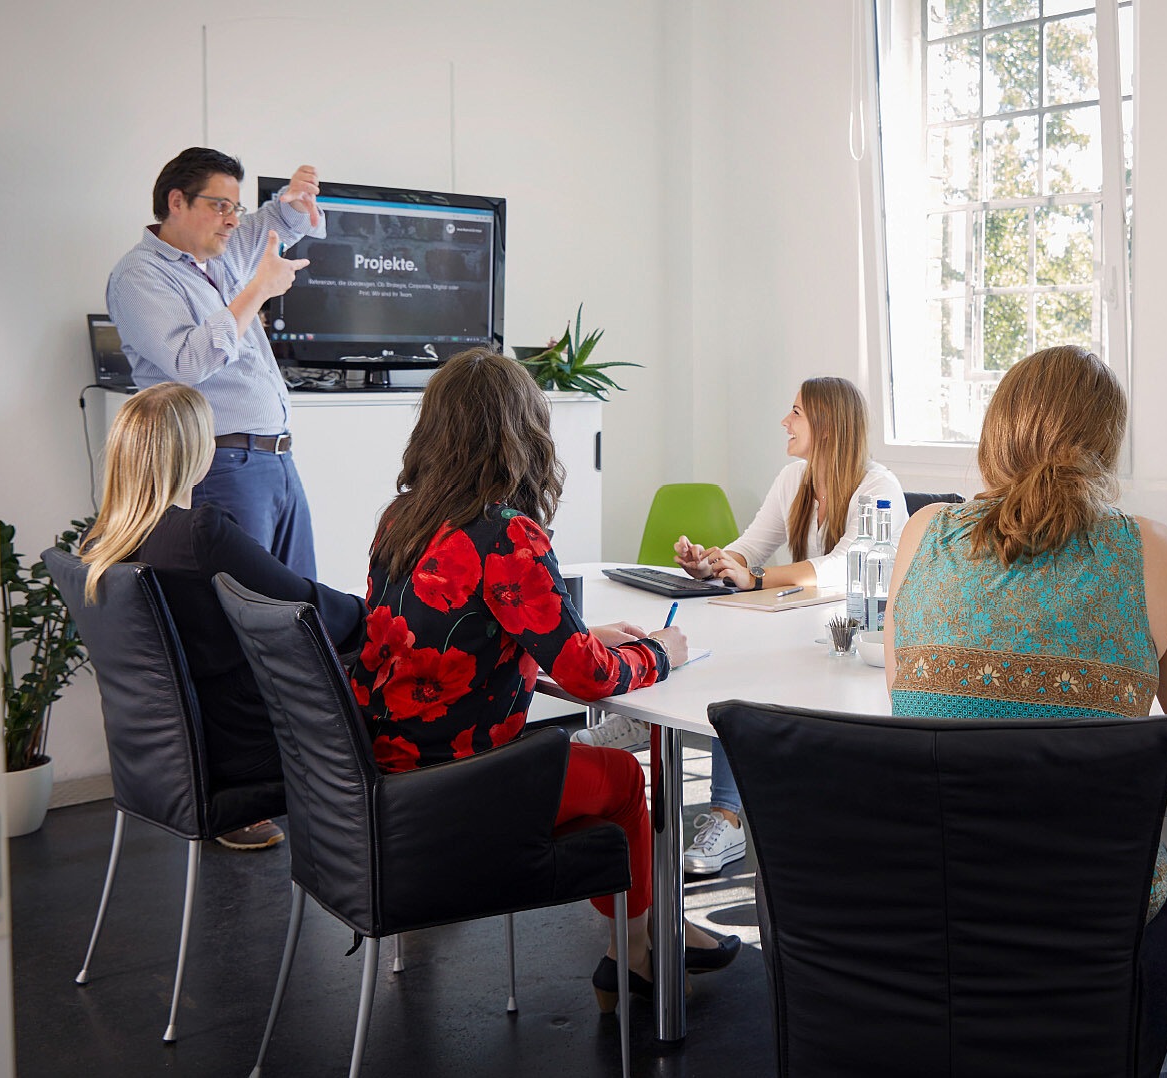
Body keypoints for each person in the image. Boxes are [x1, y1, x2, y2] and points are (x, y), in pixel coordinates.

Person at [883, 344, 1167, 1074]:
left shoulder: (924, 535)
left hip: (928, 905)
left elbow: (915, 705)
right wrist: (1131, 750)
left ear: (995, 434)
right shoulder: (1150, 552)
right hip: (1090, 916)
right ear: (1106, 445)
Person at [351, 349, 739, 1003]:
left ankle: (655, 933)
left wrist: (579, 638)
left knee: (595, 766)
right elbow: (588, 680)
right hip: (461, 786)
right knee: (620, 783)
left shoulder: (404, 517)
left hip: (389, 772)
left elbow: (474, 630)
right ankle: (635, 953)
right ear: (520, 432)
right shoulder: (506, 533)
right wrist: (663, 652)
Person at [575, 376, 906, 876]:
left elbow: (845, 566)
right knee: (709, 635)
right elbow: (749, 547)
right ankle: (645, 720)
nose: (784, 422)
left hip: (850, 639)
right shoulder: (794, 479)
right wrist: (712, 563)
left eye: (796, 412)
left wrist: (754, 577)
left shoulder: (878, 487)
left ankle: (726, 817)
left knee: (741, 674)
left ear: (828, 423)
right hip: (800, 625)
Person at [78, 382, 366, 850]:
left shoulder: (100, 545)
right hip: (246, 748)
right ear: (196, 451)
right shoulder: (199, 532)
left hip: (164, 758)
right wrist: (373, 613)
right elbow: (303, 605)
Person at [107, 147, 326, 577]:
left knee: (300, 606)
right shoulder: (140, 275)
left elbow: (277, 223)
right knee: (243, 611)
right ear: (177, 202)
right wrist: (258, 291)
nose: (232, 219)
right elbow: (189, 362)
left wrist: (297, 198)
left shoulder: (220, 256)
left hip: (277, 458)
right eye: (220, 206)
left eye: (236, 207)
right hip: (220, 465)